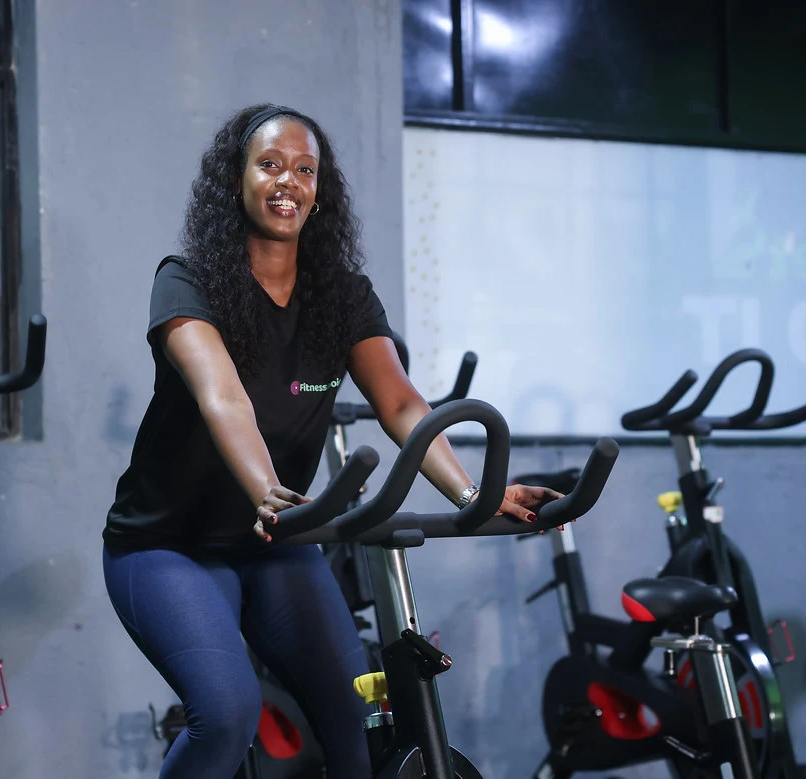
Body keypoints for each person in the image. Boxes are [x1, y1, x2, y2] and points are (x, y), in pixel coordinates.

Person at [102, 103, 562, 779]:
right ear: (235, 179)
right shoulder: (187, 280)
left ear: (320, 191)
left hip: (279, 545)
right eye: (269, 165)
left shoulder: (342, 296)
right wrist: (267, 490)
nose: (287, 181)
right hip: (167, 546)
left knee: (361, 720)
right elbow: (222, 395)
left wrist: (474, 494)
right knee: (227, 714)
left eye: (304, 169)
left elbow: (400, 402)